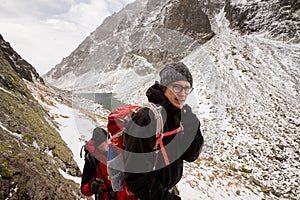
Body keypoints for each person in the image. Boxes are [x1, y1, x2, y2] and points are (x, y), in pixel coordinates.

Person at [124, 62, 204, 200]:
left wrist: (193, 127)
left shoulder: (179, 116)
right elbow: (135, 176)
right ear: (164, 87)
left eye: (186, 88)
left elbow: (191, 155)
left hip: (166, 191)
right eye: (177, 87)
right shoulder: (146, 119)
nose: (183, 93)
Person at [81, 127, 126, 200]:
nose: (107, 143)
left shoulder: (115, 149)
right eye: (103, 142)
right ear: (97, 144)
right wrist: (91, 187)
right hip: (105, 196)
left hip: (122, 194)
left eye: (107, 140)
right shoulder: (92, 159)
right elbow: (83, 189)